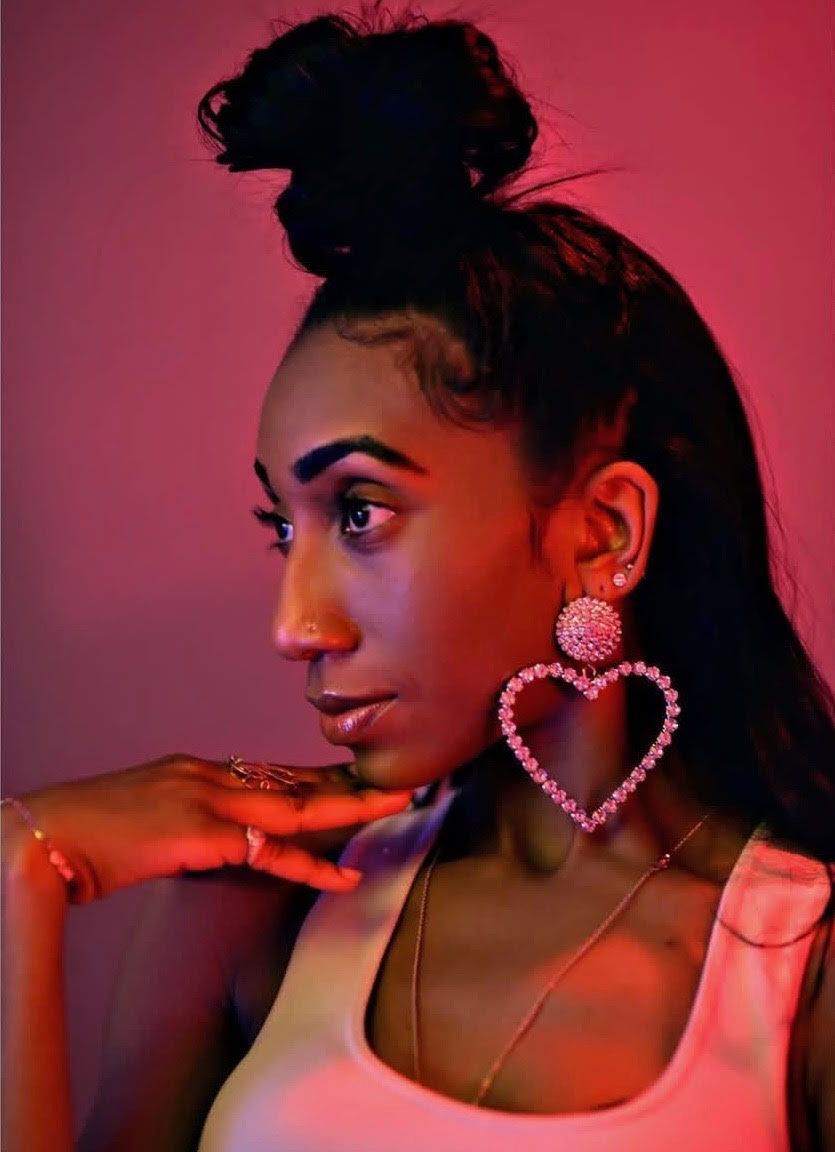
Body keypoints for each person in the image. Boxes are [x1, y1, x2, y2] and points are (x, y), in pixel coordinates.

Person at [2, 6, 833, 1151]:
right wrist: (19, 874)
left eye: (358, 510)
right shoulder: (263, 904)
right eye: (283, 528)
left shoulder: (801, 962)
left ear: (601, 533)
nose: (295, 627)